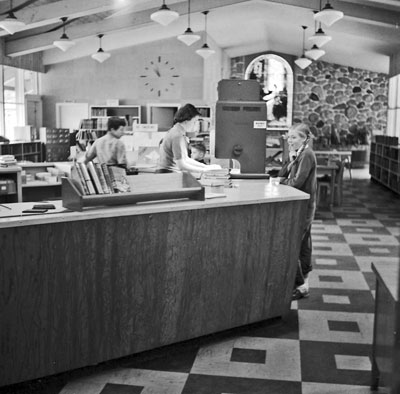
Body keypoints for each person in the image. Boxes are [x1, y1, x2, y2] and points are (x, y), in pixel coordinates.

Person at [278, 123, 317, 300]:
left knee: (294, 243)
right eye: (288, 137)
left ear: (304, 138)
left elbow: (296, 182)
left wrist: (280, 182)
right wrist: (291, 159)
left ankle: (300, 284)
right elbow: (285, 172)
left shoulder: (307, 154)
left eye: (293, 137)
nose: (289, 140)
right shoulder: (299, 153)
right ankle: (304, 282)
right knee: (303, 243)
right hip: (302, 203)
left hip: (304, 205)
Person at [158, 103, 220, 173]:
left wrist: (205, 166)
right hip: (169, 173)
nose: (196, 124)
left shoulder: (177, 131)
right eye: (194, 122)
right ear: (186, 121)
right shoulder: (177, 135)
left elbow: (186, 159)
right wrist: (204, 170)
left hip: (170, 172)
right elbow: (181, 165)